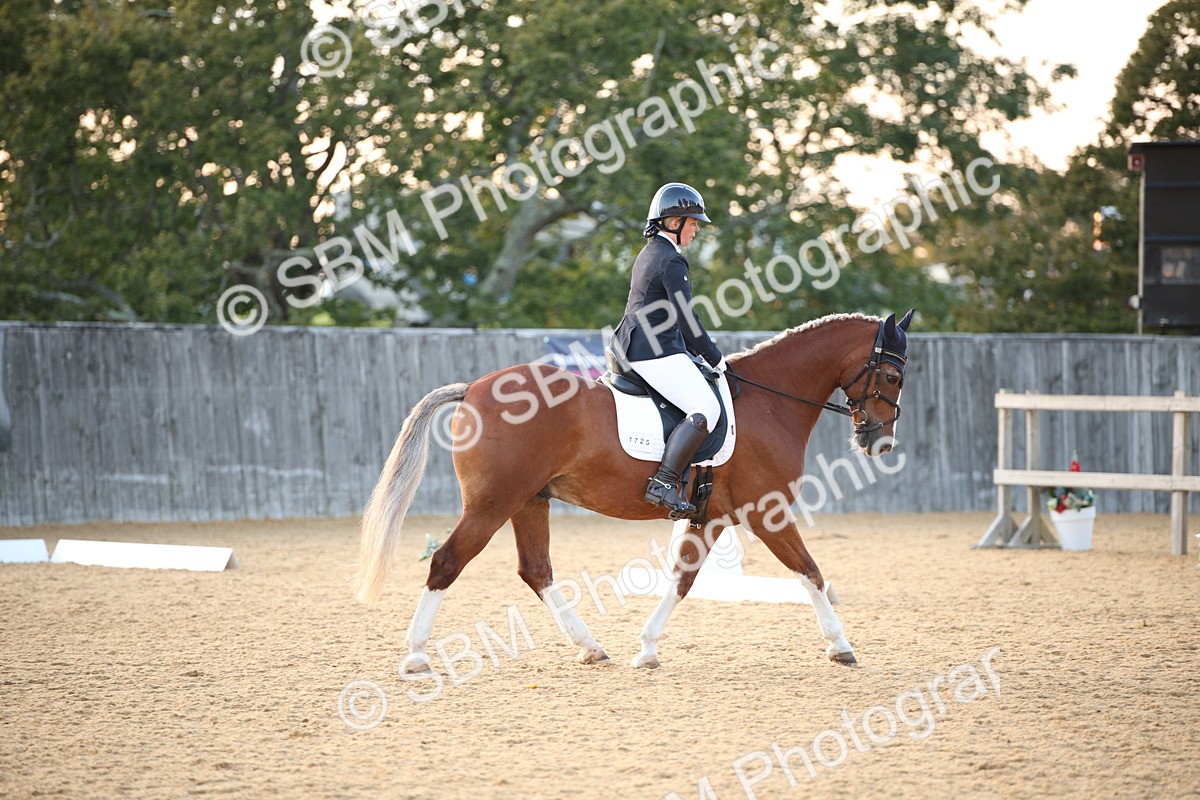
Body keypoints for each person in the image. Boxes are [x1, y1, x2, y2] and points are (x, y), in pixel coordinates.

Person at [611, 182, 727, 517]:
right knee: (705, 408)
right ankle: (663, 481)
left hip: (638, 342)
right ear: (672, 222)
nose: (696, 229)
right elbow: (688, 321)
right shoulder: (671, 261)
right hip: (653, 349)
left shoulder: (651, 253)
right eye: (693, 222)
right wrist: (716, 358)